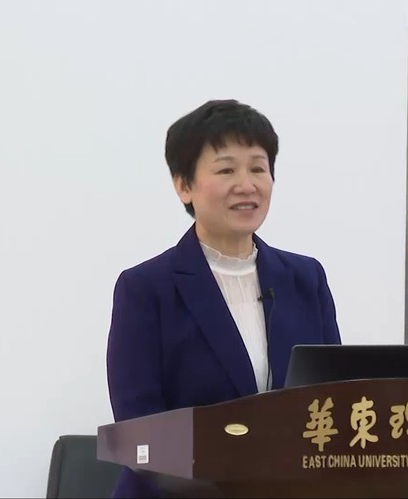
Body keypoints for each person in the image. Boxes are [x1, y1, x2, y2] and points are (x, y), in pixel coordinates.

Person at [105, 99, 342, 498]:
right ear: (184, 185)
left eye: (258, 168)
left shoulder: (306, 278)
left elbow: (334, 403)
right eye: (226, 170)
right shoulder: (146, 289)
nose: (246, 185)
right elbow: (139, 431)